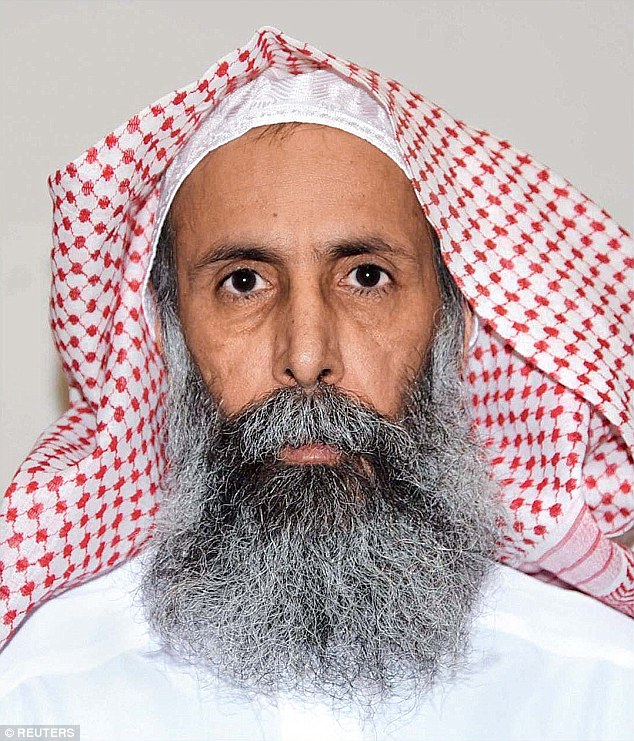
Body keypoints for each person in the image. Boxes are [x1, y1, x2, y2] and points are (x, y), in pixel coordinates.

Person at [1, 24, 632, 727]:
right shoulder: (37, 696)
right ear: (167, 337)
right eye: (244, 282)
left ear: (452, 326)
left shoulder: (602, 692)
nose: (306, 356)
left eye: (367, 277)